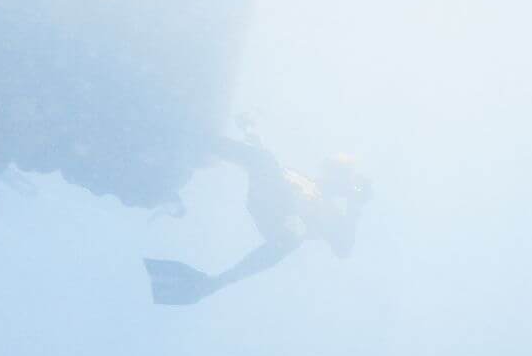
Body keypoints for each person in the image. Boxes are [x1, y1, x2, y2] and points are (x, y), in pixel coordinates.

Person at [144, 128, 371, 306]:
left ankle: (199, 138)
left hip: (279, 221)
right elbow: (261, 161)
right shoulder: (305, 181)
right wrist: (250, 131)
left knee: (294, 231)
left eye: (340, 175)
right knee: (263, 159)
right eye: (332, 171)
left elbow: (344, 248)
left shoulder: (332, 214)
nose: (332, 177)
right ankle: (200, 138)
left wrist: (354, 207)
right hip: (271, 203)